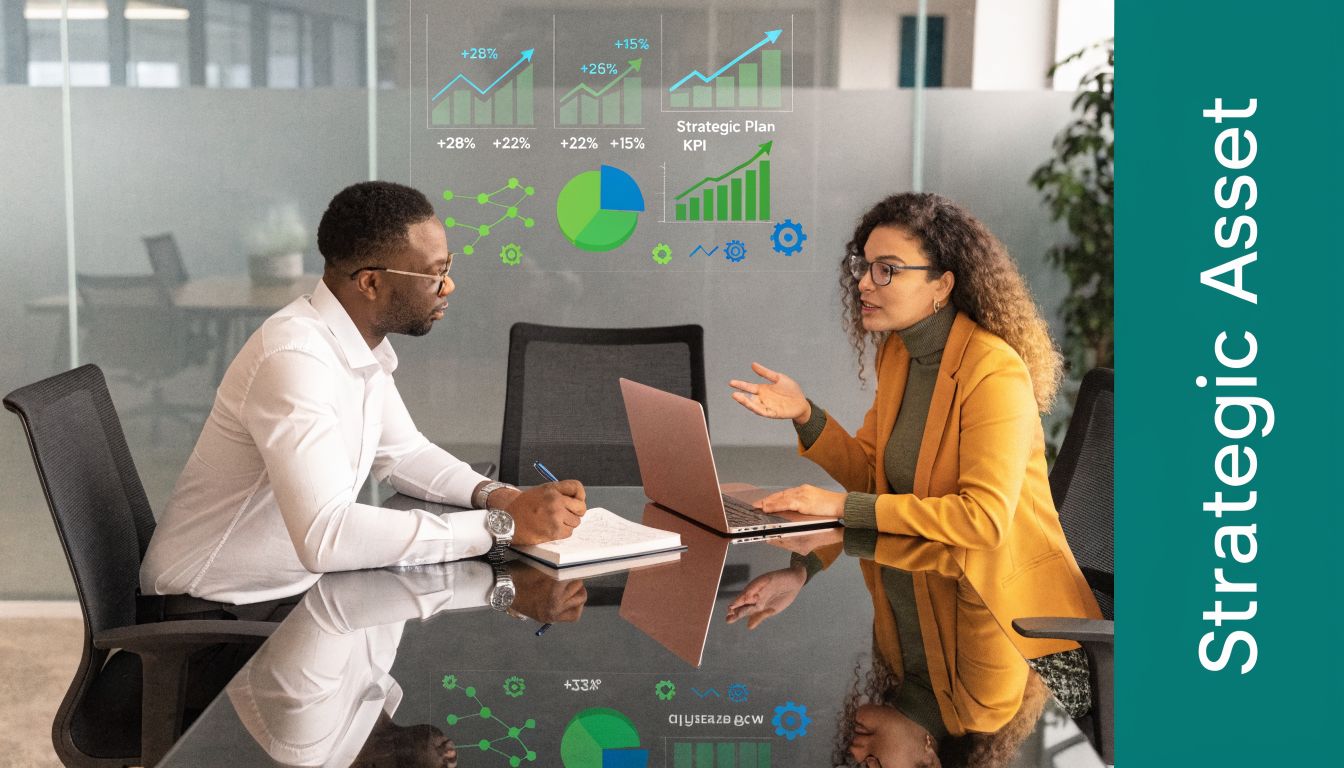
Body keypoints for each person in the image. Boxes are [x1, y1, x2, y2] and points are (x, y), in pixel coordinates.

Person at [729, 192, 1101, 716]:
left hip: (1012, 625)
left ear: (942, 285)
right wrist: (804, 414)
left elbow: (983, 521)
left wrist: (839, 508)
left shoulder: (994, 372)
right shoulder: (901, 353)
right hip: (931, 578)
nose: (864, 282)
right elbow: (875, 475)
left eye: (888, 270)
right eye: (864, 266)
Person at [141, 181, 586, 606]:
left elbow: (406, 454)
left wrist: (500, 497)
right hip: (211, 606)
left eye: (446, 267)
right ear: (371, 283)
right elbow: (325, 536)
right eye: (435, 274)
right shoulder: (293, 357)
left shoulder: (354, 344)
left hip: (285, 590)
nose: (448, 287)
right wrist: (501, 527)